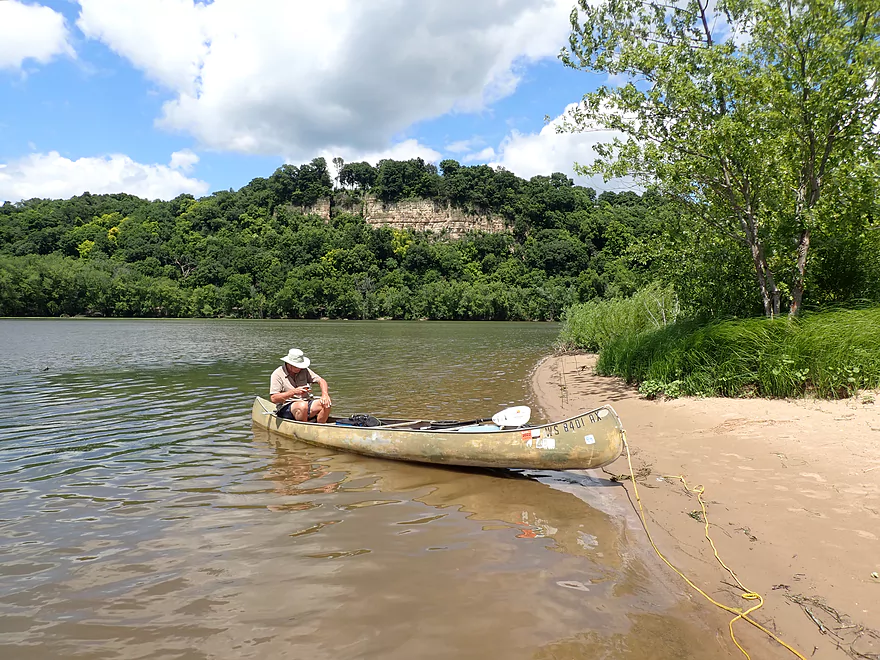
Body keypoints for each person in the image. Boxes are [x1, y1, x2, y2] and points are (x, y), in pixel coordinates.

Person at [269, 348, 332, 423]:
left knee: (326, 404)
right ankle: (305, 428)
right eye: (296, 366)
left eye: (300, 366)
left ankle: (321, 426)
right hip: (286, 406)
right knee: (302, 406)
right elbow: (274, 398)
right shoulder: (277, 374)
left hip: (306, 402)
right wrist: (293, 392)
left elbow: (321, 381)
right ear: (289, 364)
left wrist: (325, 394)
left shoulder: (304, 370)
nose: (299, 369)